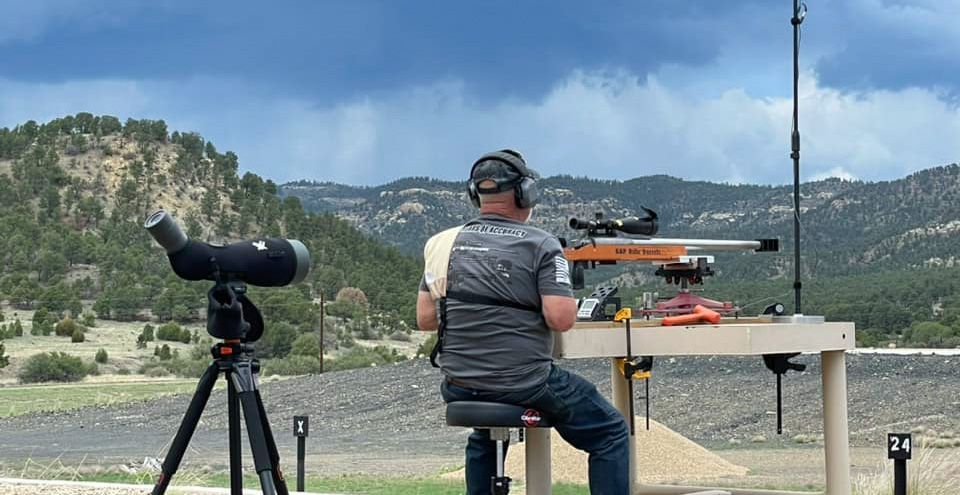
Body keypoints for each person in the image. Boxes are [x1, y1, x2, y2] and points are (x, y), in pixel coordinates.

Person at [416, 149, 629, 495]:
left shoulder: (440, 244)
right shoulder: (540, 244)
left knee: (484, 433)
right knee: (610, 433)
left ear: (475, 195)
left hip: (459, 381)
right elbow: (560, 319)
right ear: (525, 193)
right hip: (523, 380)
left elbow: (426, 320)